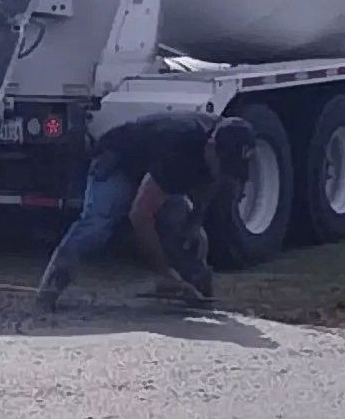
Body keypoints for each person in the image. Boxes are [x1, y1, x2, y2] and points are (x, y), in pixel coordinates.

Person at [36, 112, 255, 311]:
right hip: (117, 161)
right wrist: (165, 272)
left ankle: (192, 289)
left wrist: (194, 223)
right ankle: (53, 284)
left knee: (184, 227)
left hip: (155, 169)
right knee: (99, 223)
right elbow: (139, 216)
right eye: (224, 165)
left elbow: (213, 181)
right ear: (211, 146)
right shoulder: (180, 145)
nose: (225, 173)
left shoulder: (224, 144)